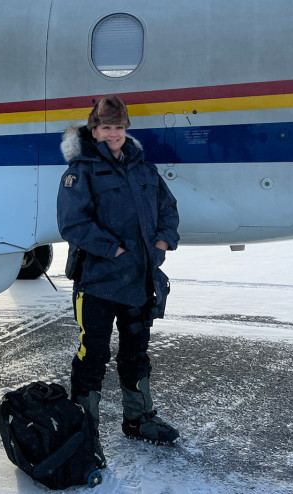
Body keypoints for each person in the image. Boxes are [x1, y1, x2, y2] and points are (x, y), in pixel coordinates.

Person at [57, 95, 180, 468]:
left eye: (120, 127)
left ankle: (138, 419)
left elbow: (167, 207)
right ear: (94, 130)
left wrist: (161, 243)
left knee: (136, 353)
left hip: (141, 281)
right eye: (106, 127)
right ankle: (85, 430)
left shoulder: (144, 168)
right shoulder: (81, 171)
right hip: (98, 282)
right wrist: (116, 252)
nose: (114, 134)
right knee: (92, 355)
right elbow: (73, 224)